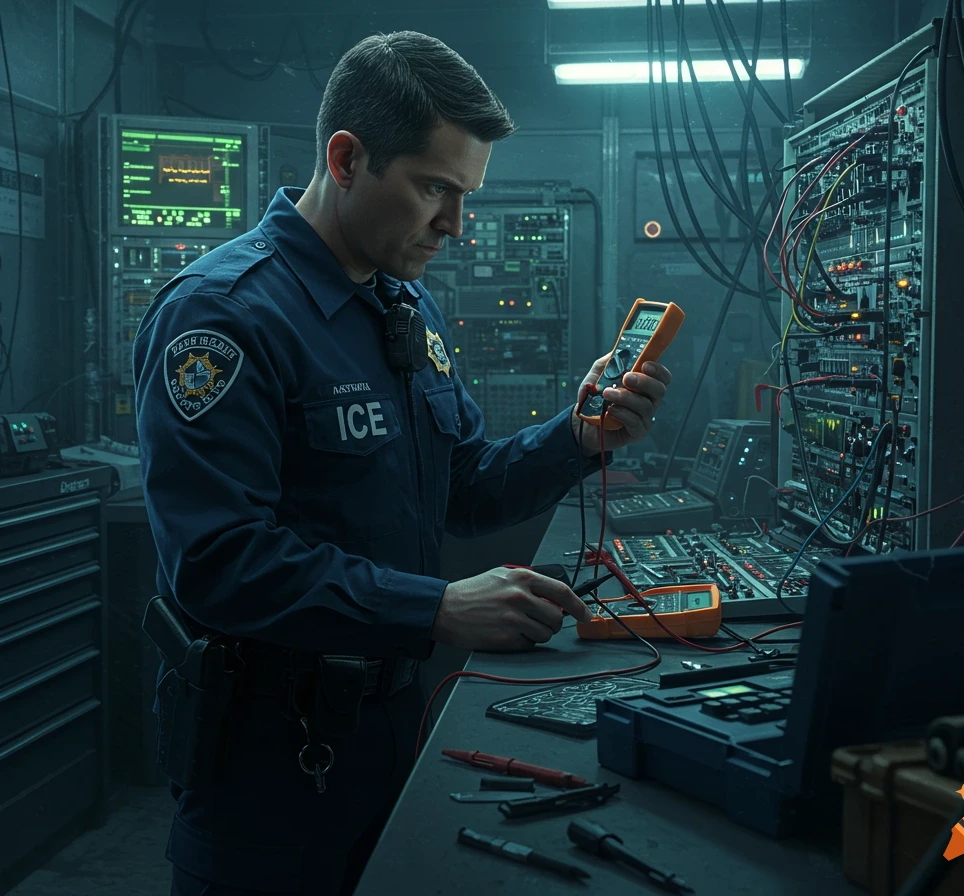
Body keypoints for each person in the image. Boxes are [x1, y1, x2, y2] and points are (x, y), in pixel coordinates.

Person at [133, 30, 673, 896]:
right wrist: (439, 606)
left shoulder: (401, 305)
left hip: (394, 721)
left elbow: (459, 487)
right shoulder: (224, 317)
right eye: (435, 190)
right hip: (271, 758)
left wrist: (577, 437)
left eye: (467, 196)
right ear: (346, 158)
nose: (456, 226)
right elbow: (218, 563)